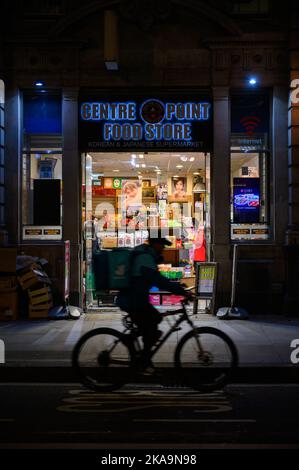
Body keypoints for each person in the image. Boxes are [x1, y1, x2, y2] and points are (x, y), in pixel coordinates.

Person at [116, 231, 193, 373]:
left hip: (136, 299)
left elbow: (157, 279)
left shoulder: (145, 254)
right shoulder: (145, 257)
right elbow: (158, 280)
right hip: (133, 300)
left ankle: (143, 358)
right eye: (162, 245)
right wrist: (181, 291)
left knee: (153, 321)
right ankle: (142, 359)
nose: (163, 248)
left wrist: (178, 288)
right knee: (152, 324)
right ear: (155, 244)